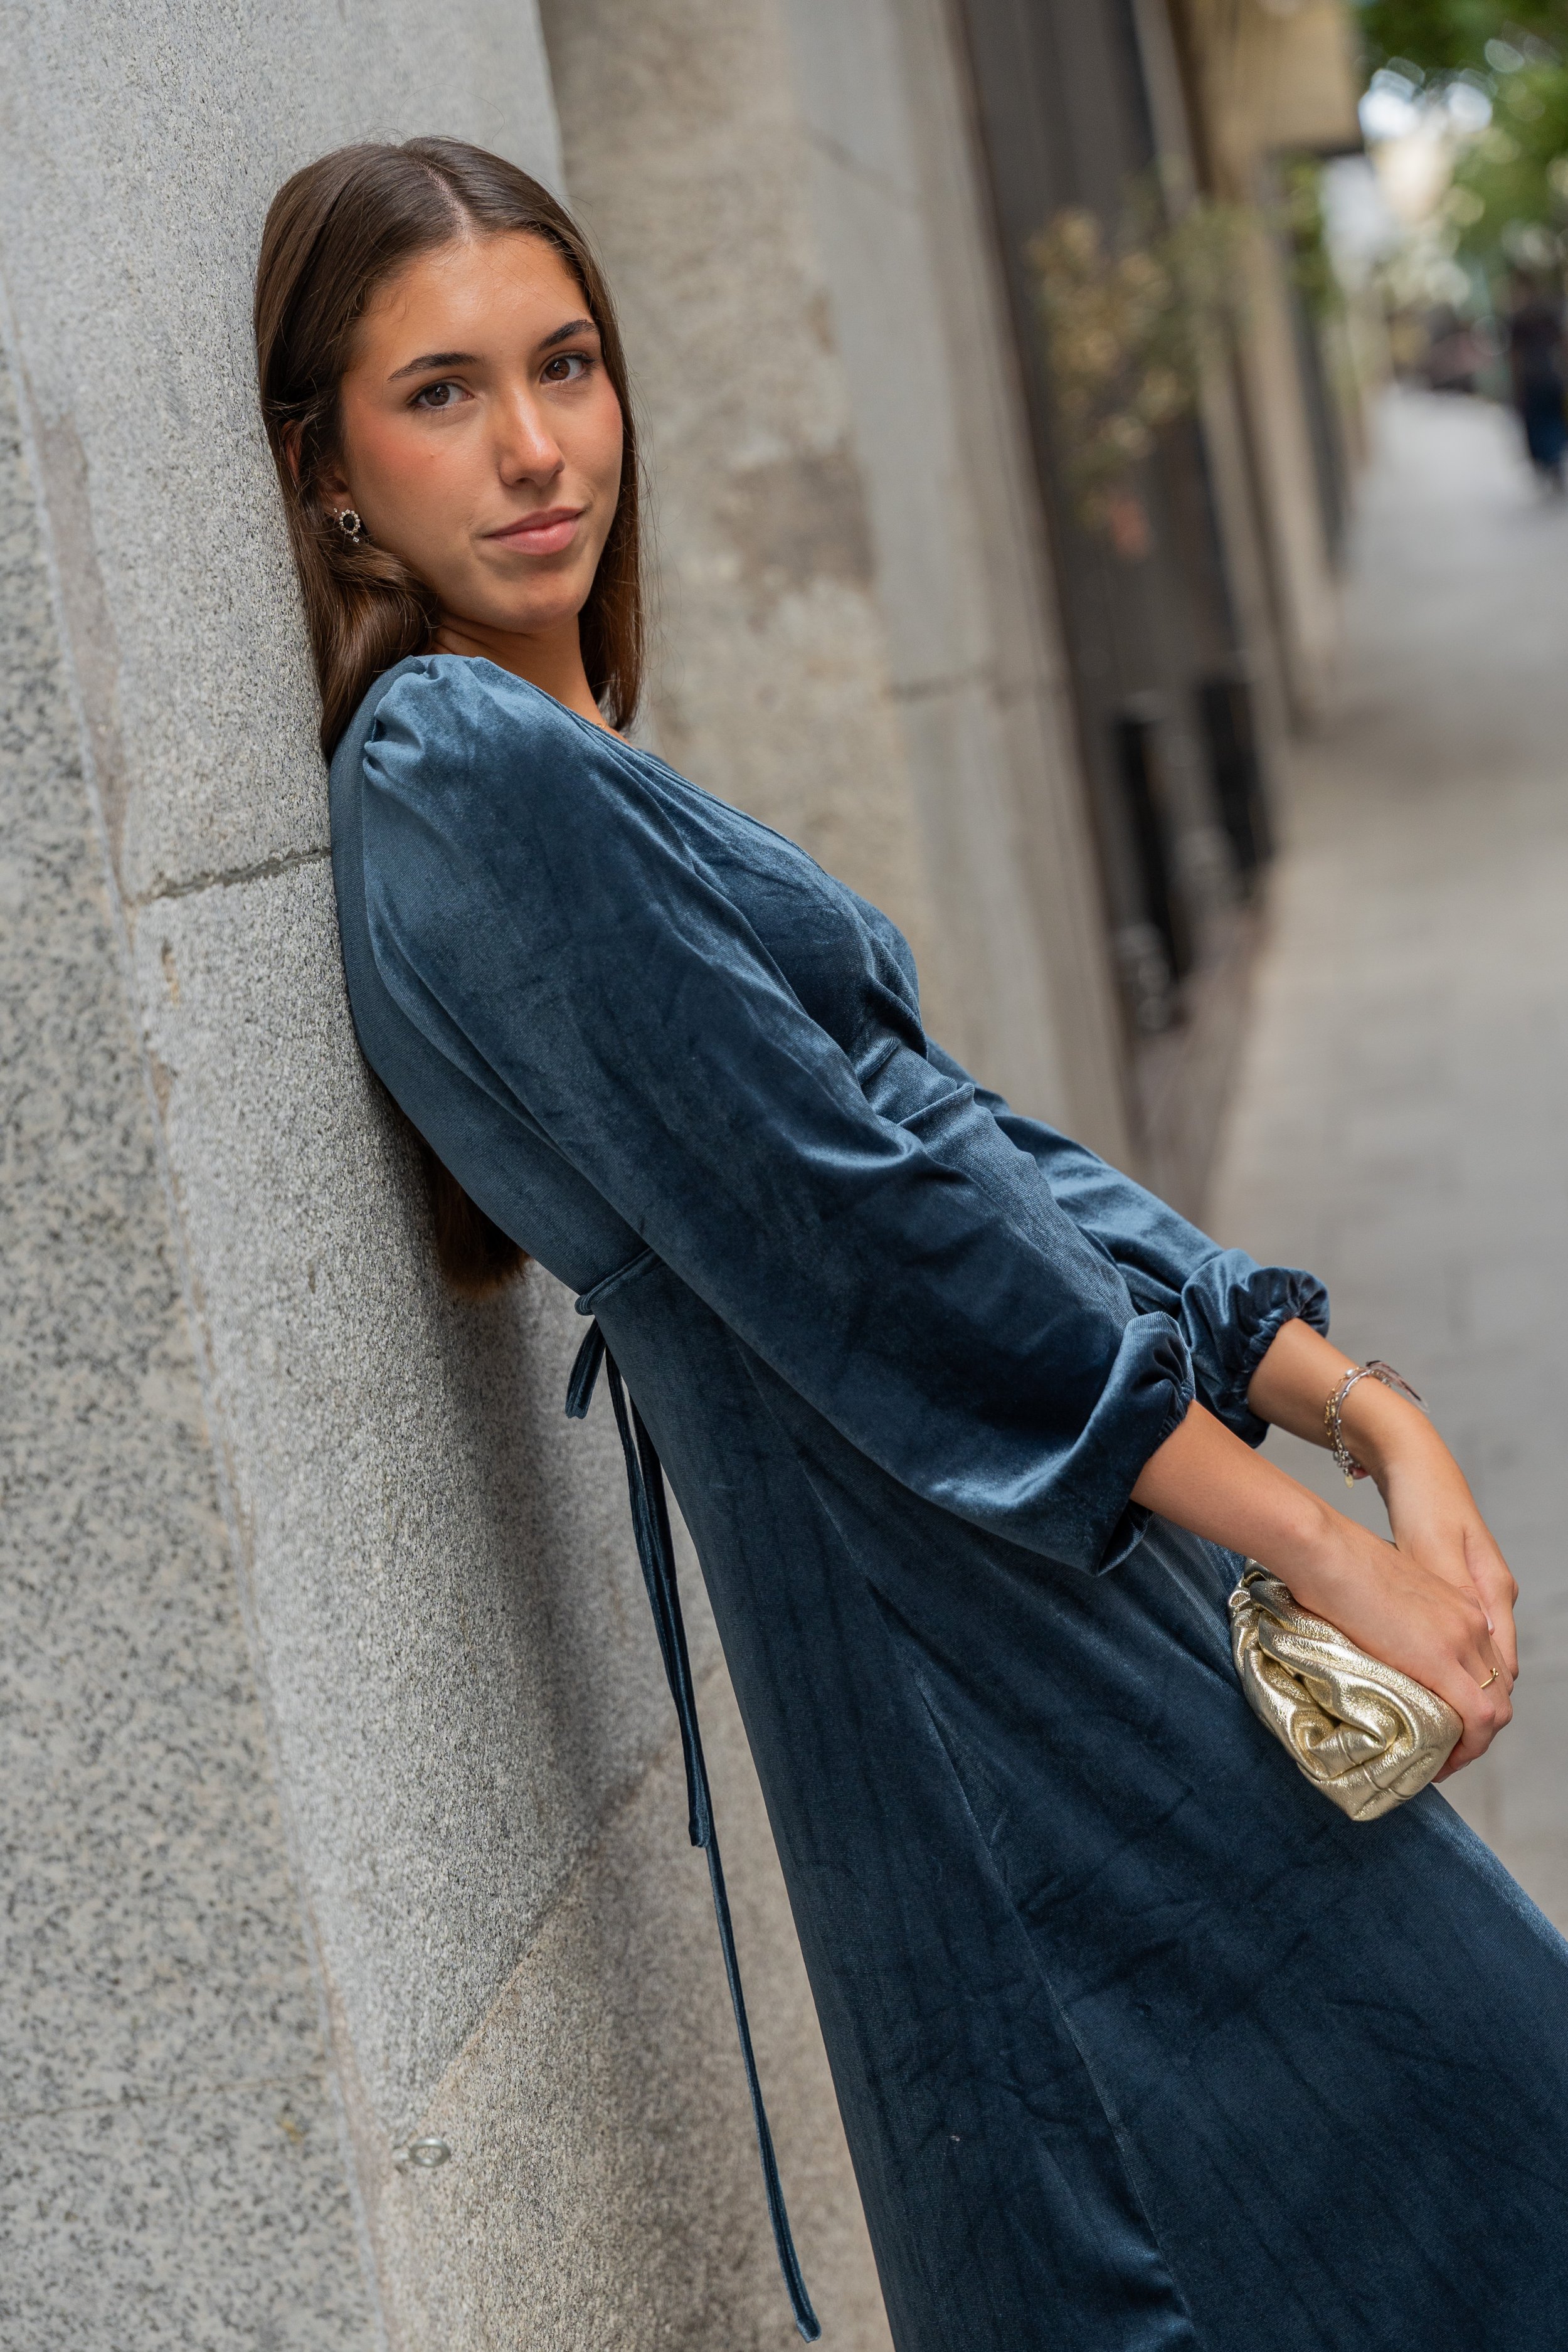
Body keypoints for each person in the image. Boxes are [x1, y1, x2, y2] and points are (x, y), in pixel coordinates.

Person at [255, 140, 1568, 2352]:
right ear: (331, 477)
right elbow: (883, 1246)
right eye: (445, 394)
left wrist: (1346, 1395)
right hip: (966, 1645)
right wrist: (1321, 1547)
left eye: (565, 365)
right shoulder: (463, 769)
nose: (541, 444)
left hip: (1023, 1591)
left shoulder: (554, 750)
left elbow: (952, 1142)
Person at [1507, 274, 1568, 489]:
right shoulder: (1544, 314)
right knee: (1551, 421)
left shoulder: (1521, 318)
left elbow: (1514, 357)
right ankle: (1553, 462)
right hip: (1549, 377)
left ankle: (1549, 462)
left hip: (1535, 380)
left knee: (1543, 423)